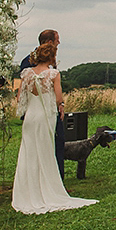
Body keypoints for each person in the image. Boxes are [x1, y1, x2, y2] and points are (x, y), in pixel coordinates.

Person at [11, 42, 97, 214]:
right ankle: (46, 189)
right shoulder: (53, 74)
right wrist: (62, 105)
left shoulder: (26, 73)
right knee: (44, 151)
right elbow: (58, 98)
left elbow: (21, 96)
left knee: (29, 153)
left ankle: (27, 192)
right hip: (44, 117)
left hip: (30, 117)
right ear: (51, 58)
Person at [18, 29, 65, 180]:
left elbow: (20, 96)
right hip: (43, 112)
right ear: (50, 42)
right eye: (57, 39)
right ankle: (45, 180)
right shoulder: (31, 63)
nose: (59, 42)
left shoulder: (41, 67)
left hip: (37, 112)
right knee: (42, 146)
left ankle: (54, 178)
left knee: (52, 144)